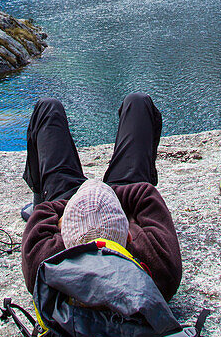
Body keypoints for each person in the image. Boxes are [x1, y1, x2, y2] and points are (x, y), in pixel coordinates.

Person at [20, 93, 182, 301]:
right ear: (129, 236)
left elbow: (43, 213)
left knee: (47, 107)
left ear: (64, 236)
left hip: (68, 201)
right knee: (138, 103)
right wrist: (105, 198)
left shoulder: (48, 265)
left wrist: (81, 200)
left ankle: (38, 195)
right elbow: (147, 194)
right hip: (119, 199)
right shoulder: (157, 264)